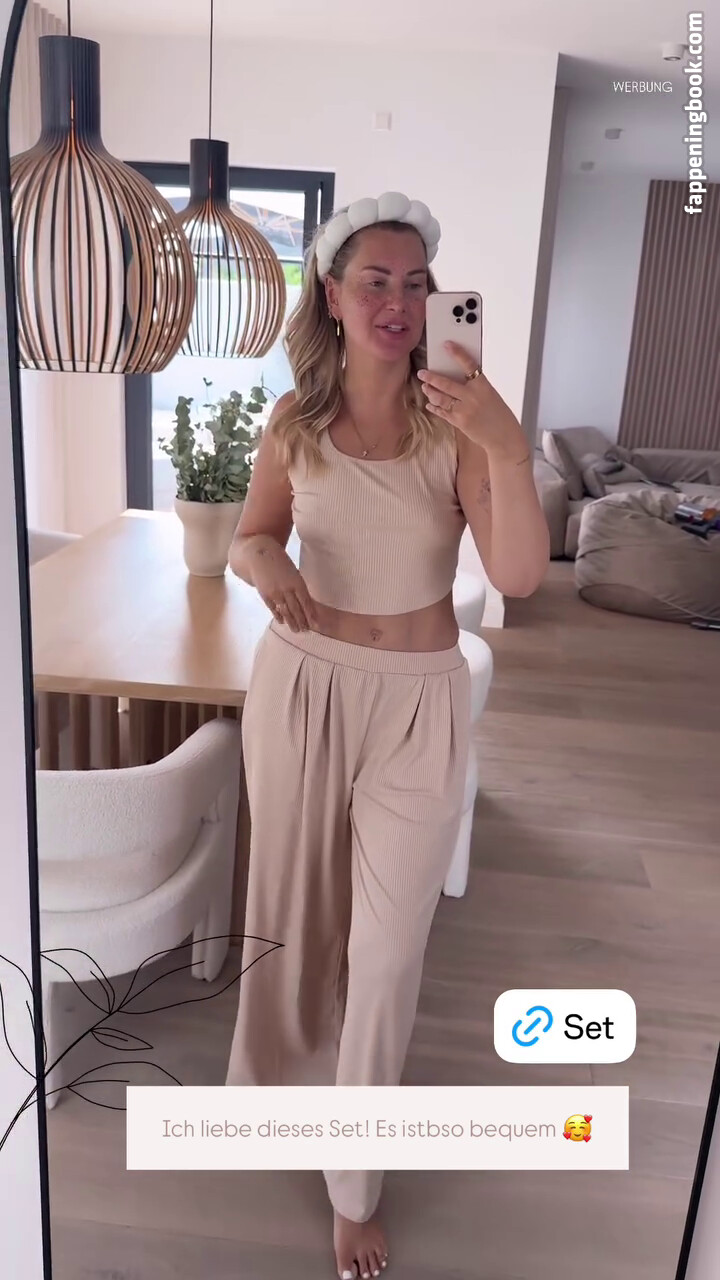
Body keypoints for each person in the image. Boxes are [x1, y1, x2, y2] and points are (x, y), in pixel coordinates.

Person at [226, 192, 550, 1279]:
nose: (400, 302)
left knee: (389, 948)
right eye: (376, 280)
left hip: (416, 701)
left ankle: (353, 1184)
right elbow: (252, 534)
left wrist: (506, 444)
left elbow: (518, 578)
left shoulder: (458, 428)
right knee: (293, 913)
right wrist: (264, 564)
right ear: (331, 294)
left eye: (418, 283)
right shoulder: (294, 421)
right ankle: (279, 1097)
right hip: (302, 688)